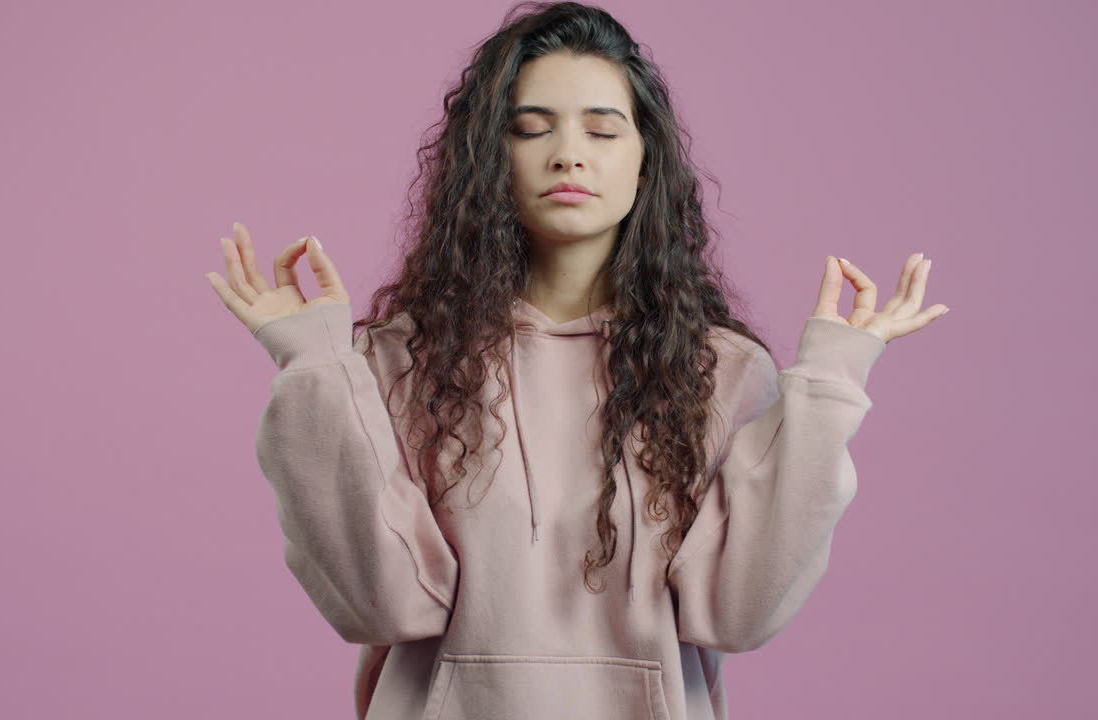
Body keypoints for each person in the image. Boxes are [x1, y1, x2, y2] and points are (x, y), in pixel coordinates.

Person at [205, 2, 947, 718]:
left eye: (602, 130)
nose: (568, 153)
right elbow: (379, 606)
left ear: (646, 163)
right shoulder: (403, 360)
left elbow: (738, 612)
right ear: (488, 161)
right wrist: (313, 366)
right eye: (531, 129)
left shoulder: (719, 370)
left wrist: (829, 384)